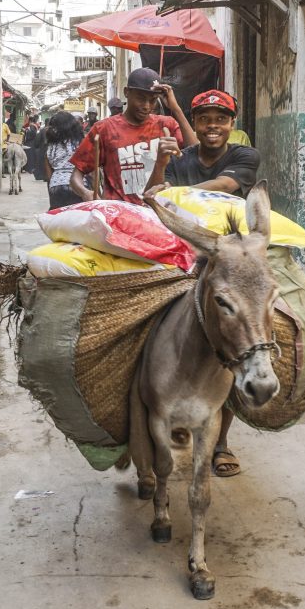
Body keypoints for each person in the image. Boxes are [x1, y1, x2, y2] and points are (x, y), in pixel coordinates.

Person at [146, 89, 261, 479]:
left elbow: (228, 186)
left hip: (233, 260)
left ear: (232, 124)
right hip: (182, 254)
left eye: (221, 119)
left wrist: (178, 193)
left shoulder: (244, 155)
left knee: (244, 339)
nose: (213, 126)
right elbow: (155, 196)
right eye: (205, 119)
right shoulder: (181, 159)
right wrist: (162, 164)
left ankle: (223, 441)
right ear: (195, 123)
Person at [68, 68, 195, 204]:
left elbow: (195, 151)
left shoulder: (166, 125)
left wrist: (175, 108)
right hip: (120, 215)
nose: (146, 106)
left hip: (158, 213)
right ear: (126, 93)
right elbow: (76, 175)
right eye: (141, 99)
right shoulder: (104, 129)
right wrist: (85, 192)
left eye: (152, 100)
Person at [44, 112, 86, 207]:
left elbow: (49, 176)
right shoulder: (81, 143)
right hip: (80, 186)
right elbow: (91, 172)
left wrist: (52, 195)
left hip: (56, 187)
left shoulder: (51, 147)